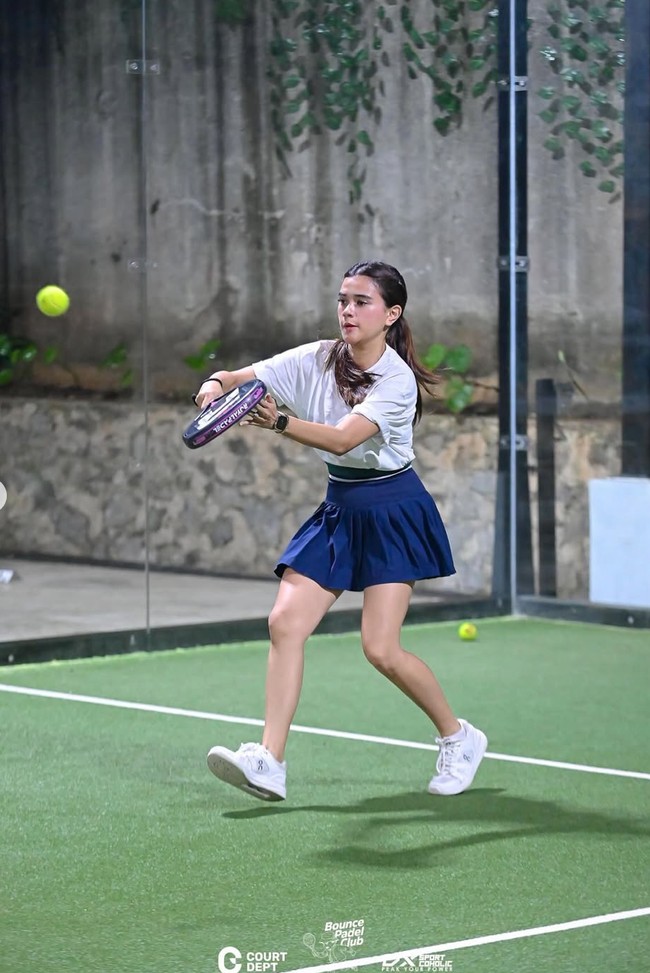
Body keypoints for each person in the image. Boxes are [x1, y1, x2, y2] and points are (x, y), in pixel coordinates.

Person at [194, 260, 487, 802]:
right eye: (343, 300)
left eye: (362, 302)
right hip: (341, 505)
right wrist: (217, 384)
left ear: (391, 313)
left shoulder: (395, 380)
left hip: (393, 509)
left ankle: (459, 735)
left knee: (380, 648)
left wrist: (277, 422)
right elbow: (243, 377)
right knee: (284, 622)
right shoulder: (318, 356)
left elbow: (341, 440)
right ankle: (269, 762)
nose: (348, 311)